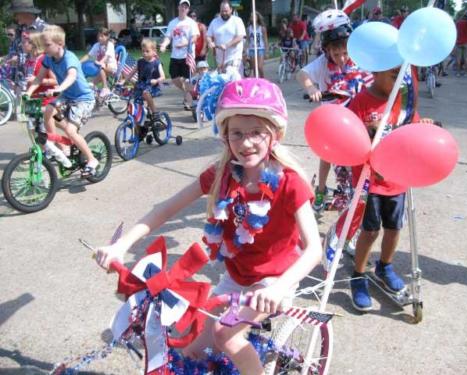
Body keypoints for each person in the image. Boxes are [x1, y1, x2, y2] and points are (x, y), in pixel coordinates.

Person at [94, 78, 322, 374]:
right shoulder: (221, 174)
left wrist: (278, 288)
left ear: (275, 135)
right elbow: (164, 209)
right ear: (225, 136)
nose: (246, 142)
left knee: (225, 335)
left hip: (275, 279)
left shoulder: (290, 183)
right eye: (236, 133)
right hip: (237, 277)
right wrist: (121, 245)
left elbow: (314, 249)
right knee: (192, 351)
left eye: (256, 132)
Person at [347, 65, 431, 311]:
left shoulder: (403, 102)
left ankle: (385, 265)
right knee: (370, 231)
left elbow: (411, 130)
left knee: (394, 228)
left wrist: (422, 126)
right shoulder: (361, 102)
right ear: (376, 71)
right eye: (394, 76)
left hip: (397, 178)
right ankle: (358, 275)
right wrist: (368, 134)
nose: (399, 82)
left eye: (402, 77)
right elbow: (351, 138)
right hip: (370, 180)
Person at [297, 9, 372, 213]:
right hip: (331, 123)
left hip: (356, 122)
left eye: (345, 52)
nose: (341, 58)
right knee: (326, 156)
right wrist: (311, 88)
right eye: (335, 53)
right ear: (327, 51)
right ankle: (321, 190)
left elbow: (372, 82)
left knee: (359, 161)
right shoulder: (322, 64)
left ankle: (354, 198)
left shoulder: (359, 60)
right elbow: (302, 74)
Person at [25, 25, 98, 177]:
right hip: (66, 96)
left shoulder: (69, 58)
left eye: (48, 45)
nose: (44, 48)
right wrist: (29, 92)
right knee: (47, 111)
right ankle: (59, 146)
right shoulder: (48, 58)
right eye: (43, 44)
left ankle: (92, 160)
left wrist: (59, 89)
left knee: (71, 131)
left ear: (60, 44)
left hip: (83, 99)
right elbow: (39, 78)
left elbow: (71, 76)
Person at [160, 0, 199, 110]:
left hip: (187, 56)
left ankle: (189, 103)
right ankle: (188, 92)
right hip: (175, 56)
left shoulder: (191, 23)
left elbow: (195, 37)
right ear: (178, 7)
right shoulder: (173, 23)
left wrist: (186, 43)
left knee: (187, 80)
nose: (183, 8)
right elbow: (168, 37)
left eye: (186, 7)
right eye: (182, 6)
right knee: (174, 79)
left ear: (188, 9)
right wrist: (163, 45)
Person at [124, 38, 166, 123]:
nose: (144, 53)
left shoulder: (156, 63)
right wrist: (124, 81)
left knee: (145, 93)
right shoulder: (140, 61)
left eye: (147, 51)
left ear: (154, 51)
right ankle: (140, 121)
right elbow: (132, 72)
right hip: (141, 86)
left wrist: (156, 80)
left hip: (153, 87)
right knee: (136, 104)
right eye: (143, 51)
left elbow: (163, 77)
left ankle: (155, 112)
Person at [207, 1, 246, 77]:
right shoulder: (214, 22)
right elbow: (208, 35)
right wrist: (210, 42)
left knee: (232, 77)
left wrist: (227, 45)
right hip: (220, 60)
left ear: (231, 10)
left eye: (226, 11)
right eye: (222, 11)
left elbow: (240, 37)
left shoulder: (237, 21)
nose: (224, 13)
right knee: (223, 81)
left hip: (234, 56)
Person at [80, 27, 117, 98]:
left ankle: (105, 88)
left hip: (111, 68)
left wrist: (100, 62)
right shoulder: (96, 45)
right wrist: (78, 62)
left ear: (107, 36)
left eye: (102, 36)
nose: (99, 38)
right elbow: (88, 55)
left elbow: (106, 56)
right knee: (91, 84)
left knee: (101, 66)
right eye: (98, 36)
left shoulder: (110, 45)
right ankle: (97, 100)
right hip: (100, 69)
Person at [23, 31, 57, 106]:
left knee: (50, 117)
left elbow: (56, 81)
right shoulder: (28, 61)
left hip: (47, 101)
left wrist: (37, 80)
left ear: (33, 44)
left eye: (24, 42)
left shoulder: (45, 59)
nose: (21, 45)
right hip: (33, 101)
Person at [246, 11, 268, 78]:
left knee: (259, 67)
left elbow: (265, 40)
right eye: (251, 16)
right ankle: (256, 81)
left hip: (260, 49)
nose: (253, 18)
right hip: (252, 49)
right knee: (254, 67)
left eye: (254, 16)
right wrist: (246, 51)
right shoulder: (248, 28)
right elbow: (247, 40)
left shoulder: (262, 28)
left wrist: (266, 51)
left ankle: (263, 80)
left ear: (257, 18)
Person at [454, 12, 467, 76]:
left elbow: (455, 31)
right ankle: (466, 73)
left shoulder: (458, 23)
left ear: (463, 16)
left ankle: (458, 73)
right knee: (466, 58)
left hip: (459, 43)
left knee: (458, 58)